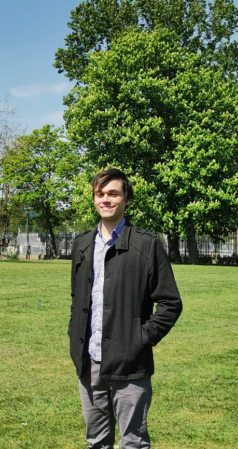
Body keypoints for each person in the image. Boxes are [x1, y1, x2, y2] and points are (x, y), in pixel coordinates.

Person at [69, 168, 182, 449]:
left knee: (133, 443)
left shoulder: (147, 244)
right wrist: (75, 335)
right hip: (90, 363)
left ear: (127, 199)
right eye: (99, 194)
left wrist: (139, 339)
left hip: (130, 364)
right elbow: (77, 299)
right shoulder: (82, 244)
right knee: (96, 442)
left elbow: (170, 303)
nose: (105, 200)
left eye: (113, 194)